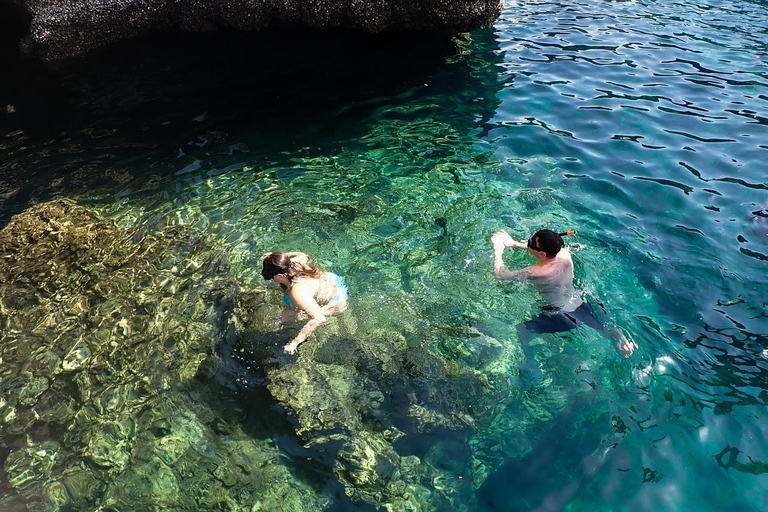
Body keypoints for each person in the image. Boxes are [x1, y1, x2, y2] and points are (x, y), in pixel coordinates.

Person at [491, 229, 636, 368]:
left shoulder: (535, 271)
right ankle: (618, 335)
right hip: (582, 304)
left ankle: (531, 362)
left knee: (521, 329)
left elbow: (500, 274)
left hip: (561, 316)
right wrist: (514, 243)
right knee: (604, 331)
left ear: (542, 254)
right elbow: (545, 250)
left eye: (531, 242)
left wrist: (499, 249)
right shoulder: (565, 255)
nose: (528, 243)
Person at [261, 251, 348, 354]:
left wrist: (295, 343)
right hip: (333, 281)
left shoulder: (297, 292)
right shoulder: (296, 262)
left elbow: (319, 319)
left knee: (286, 316)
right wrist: (278, 258)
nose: (273, 280)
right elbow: (304, 254)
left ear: (279, 276)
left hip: (337, 302)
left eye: (272, 277)